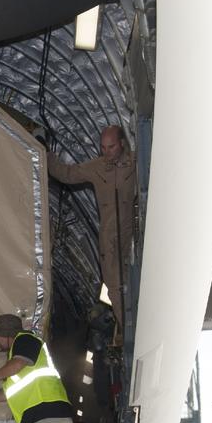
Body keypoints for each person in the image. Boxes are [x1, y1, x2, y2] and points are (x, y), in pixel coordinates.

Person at [44, 125, 136, 332]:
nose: (106, 152)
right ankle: (129, 330)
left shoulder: (136, 163)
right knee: (114, 286)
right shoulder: (97, 167)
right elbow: (67, 174)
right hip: (110, 236)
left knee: (135, 280)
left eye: (111, 147)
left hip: (132, 232)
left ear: (122, 144)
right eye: (103, 147)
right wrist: (47, 156)